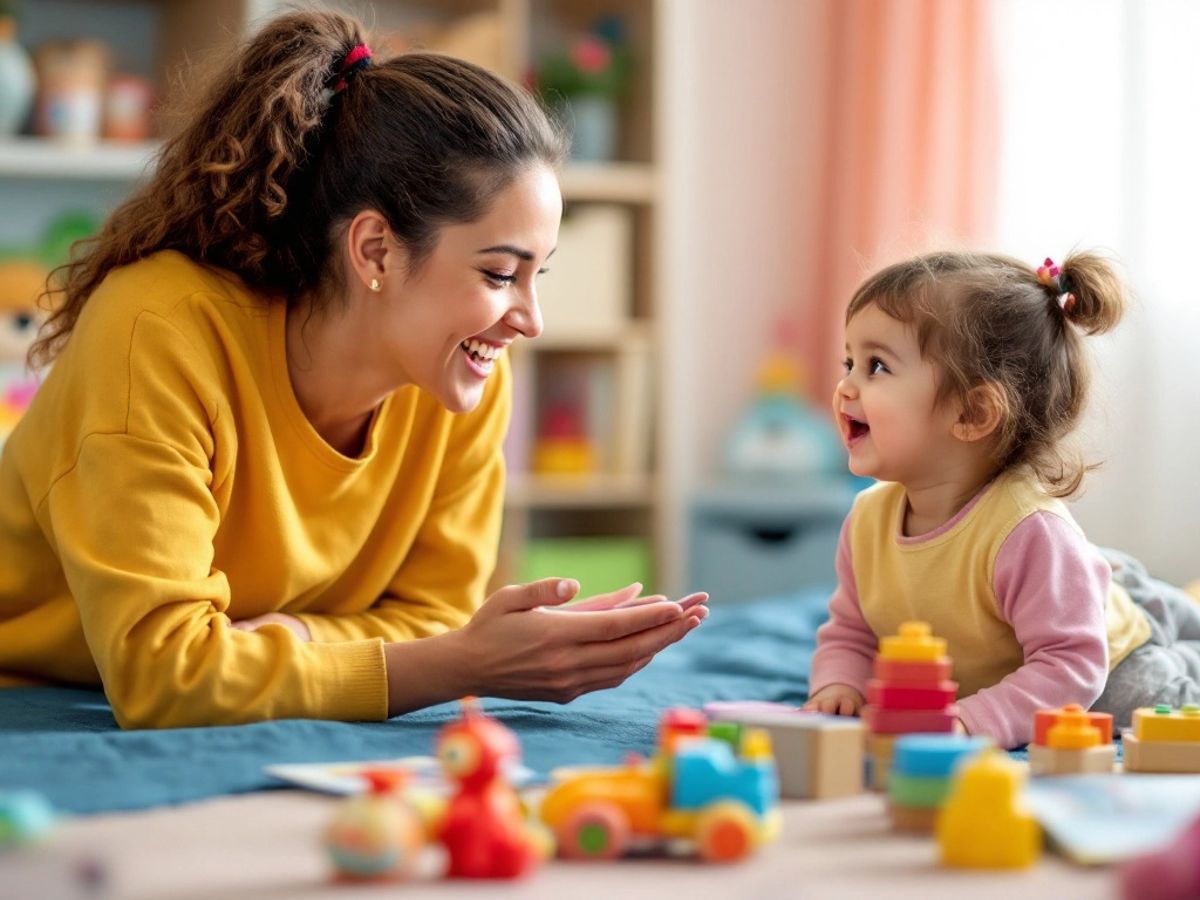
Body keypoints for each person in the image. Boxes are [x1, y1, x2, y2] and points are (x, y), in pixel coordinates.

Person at [0, 10, 707, 729]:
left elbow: (434, 614)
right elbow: (166, 674)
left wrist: (300, 638)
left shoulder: (463, 377)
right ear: (374, 251)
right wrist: (467, 663)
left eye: (537, 276)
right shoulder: (158, 331)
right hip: (28, 698)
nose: (529, 319)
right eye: (499, 273)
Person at [803, 250, 1200, 748]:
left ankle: (1161, 621)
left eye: (877, 366)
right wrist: (838, 685)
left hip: (1108, 662)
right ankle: (1131, 588)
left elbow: (1071, 664)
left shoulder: (1027, 531)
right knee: (1089, 584)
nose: (844, 387)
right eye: (850, 362)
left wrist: (974, 719)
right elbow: (851, 633)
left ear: (973, 413)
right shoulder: (867, 519)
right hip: (1064, 591)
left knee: (1149, 709)